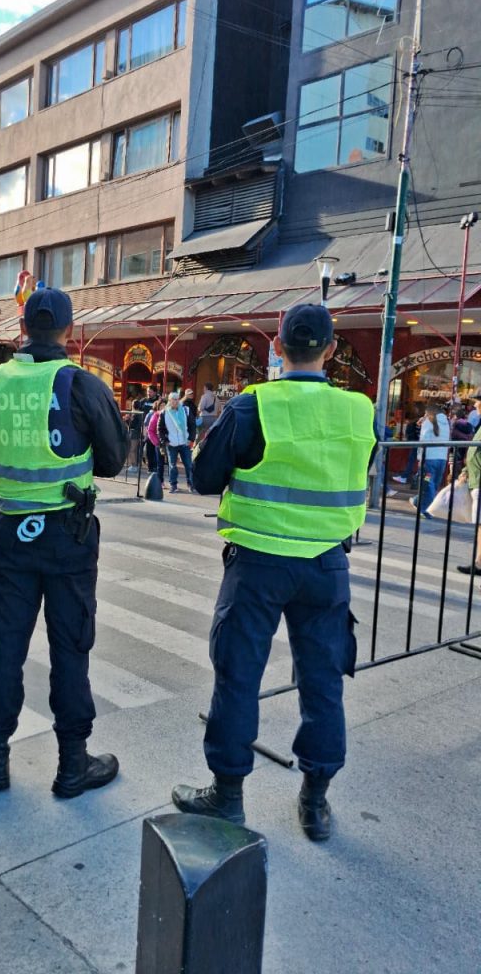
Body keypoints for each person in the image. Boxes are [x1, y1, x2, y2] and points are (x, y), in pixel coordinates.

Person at [171, 304, 375, 842]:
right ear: (331, 350)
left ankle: (228, 797)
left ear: (278, 348)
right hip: (326, 565)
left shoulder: (253, 404)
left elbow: (204, 478)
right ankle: (315, 801)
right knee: (323, 681)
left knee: (238, 676)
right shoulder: (360, 410)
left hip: (257, 564)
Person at [0, 286, 127, 798]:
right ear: (69, 331)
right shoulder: (81, 383)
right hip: (69, 536)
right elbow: (114, 459)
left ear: (22, 328)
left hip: (12, 532)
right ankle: (72, 765)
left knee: (6, 643)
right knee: (70, 646)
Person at [409, 403, 450, 518]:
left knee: (428, 483)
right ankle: (418, 502)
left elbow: (423, 440)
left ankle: (423, 508)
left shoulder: (428, 422)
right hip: (442, 458)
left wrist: (420, 458)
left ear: (428, 413)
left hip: (429, 459)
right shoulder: (446, 422)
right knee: (434, 484)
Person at [457, 392, 481, 575]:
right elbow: (475, 452)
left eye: (479, 403)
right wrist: (466, 471)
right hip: (476, 480)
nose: (476, 406)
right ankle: (479, 563)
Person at [158, 391, 196, 492]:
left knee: (188, 465)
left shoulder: (186, 410)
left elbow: (192, 425)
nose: (175, 401)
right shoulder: (164, 413)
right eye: (173, 399)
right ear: (169, 401)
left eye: (177, 399)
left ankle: (190, 484)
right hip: (172, 443)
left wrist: (191, 439)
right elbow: (160, 429)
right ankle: (173, 485)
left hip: (185, 442)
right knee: (172, 465)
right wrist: (165, 440)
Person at [145, 397, 166, 487]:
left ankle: (173, 483)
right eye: (161, 406)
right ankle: (160, 481)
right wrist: (156, 442)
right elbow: (150, 430)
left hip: (171, 441)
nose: (163, 407)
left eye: (165, 406)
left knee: (171, 464)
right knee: (160, 463)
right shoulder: (155, 416)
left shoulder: (171, 415)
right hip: (160, 442)